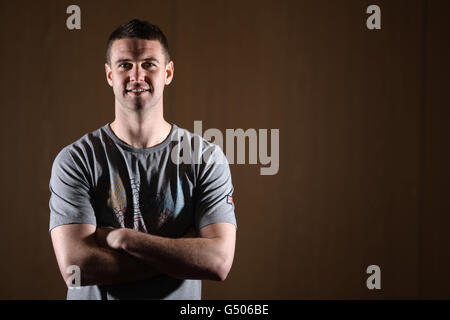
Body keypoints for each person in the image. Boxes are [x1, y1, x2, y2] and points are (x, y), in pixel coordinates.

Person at [49, 19, 237, 300]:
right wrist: (180, 254)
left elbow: (218, 262)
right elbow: (76, 268)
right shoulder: (76, 160)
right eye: (125, 65)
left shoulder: (206, 159)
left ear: (168, 72)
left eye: (149, 64)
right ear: (110, 75)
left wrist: (124, 239)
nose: (137, 75)